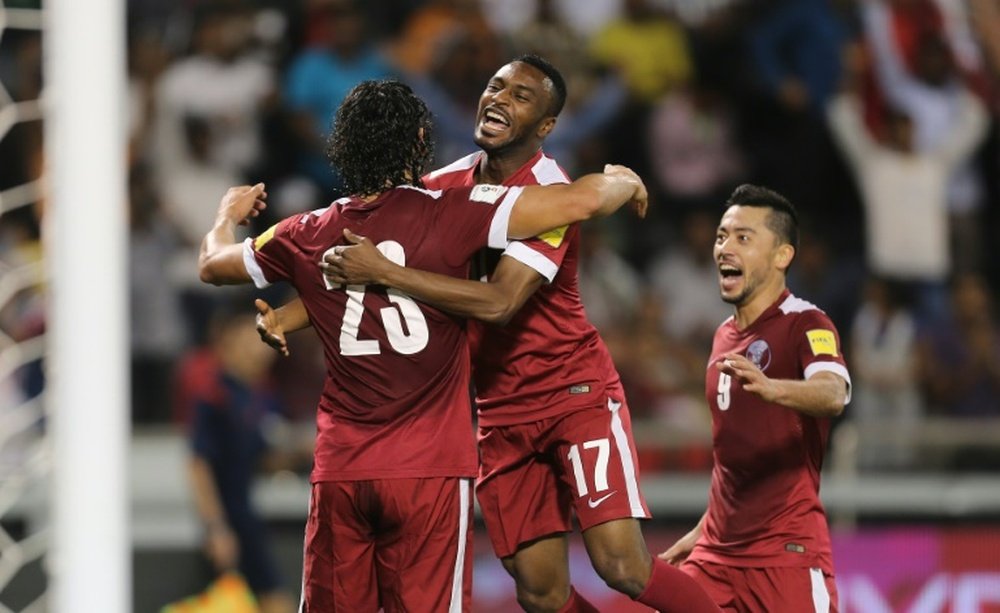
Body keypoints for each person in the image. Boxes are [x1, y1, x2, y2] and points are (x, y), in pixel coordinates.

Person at [258, 56, 719, 613]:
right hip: (498, 408)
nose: (500, 98)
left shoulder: (549, 195)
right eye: (495, 85)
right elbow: (365, 263)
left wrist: (388, 274)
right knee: (542, 593)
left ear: (546, 127)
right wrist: (293, 314)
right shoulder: (441, 188)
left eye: (523, 96)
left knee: (621, 565)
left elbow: (500, 302)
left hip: (573, 395)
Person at [658, 184, 851, 612]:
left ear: (782, 256)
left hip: (786, 555)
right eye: (721, 236)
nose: (725, 248)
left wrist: (774, 388)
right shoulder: (722, 337)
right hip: (715, 556)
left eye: (743, 238)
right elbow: (735, 462)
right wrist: (702, 532)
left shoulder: (806, 323)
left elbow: (833, 392)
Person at [181, 305, 297, 613]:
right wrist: (216, 527)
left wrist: (305, 451)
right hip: (229, 523)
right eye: (248, 343)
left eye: (262, 343)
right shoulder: (214, 395)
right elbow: (198, 464)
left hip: (246, 517)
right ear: (226, 345)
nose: (258, 352)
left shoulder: (260, 396)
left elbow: (263, 457)